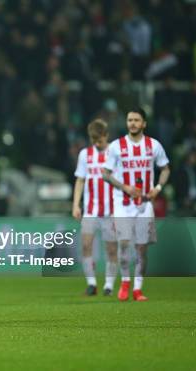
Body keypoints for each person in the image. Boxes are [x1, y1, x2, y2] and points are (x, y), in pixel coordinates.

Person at [102, 108, 170, 301]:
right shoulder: (116, 146)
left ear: (144, 123)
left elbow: (165, 169)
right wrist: (125, 186)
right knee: (123, 245)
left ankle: (138, 288)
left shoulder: (153, 145)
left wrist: (157, 188)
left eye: (136, 120)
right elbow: (105, 173)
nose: (132, 123)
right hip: (122, 203)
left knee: (141, 248)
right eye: (130, 120)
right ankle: (125, 281)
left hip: (145, 204)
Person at [72, 119, 118, 296]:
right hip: (90, 210)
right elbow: (80, 179)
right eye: (93, 140)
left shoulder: (115, 153)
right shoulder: (85, 155)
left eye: (99, 139)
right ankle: (91, 284)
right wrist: (76, 204)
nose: (96, 143)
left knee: (111, 249)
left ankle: (108, 285)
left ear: (106, 135)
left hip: (111, 211)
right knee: (85, 245)